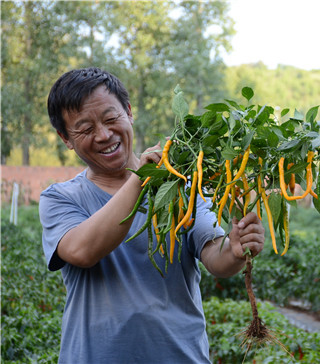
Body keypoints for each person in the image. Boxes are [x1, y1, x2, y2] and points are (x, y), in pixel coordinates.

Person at [40, 67, 265, 363]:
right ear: (65, 138)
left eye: (111, 119)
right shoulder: (60, 198)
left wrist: (234, 250)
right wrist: (141, 178)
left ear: (129, 112)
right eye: (85, 128)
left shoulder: (183, 186)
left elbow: (215, 256)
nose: (104, 135)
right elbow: (82, 250)